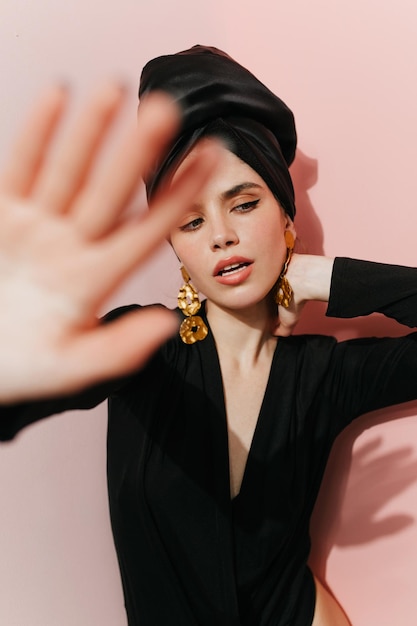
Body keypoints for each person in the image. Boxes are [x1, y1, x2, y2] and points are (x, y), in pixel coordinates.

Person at [2, 45, 417, 626]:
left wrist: (328, 275)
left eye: (243, 204)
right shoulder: (144, 347)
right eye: (191, 222)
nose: (221, 235)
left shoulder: (322, 375)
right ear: (176, 246)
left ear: (285, 216)